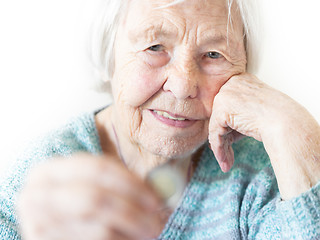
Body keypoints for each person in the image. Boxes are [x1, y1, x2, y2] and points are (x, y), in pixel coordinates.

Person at [1, 0, 320, 239]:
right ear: (108, 54)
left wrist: (295, 132)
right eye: (155, 47)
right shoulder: (42, 177)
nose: (183, 86)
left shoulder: (260, 174)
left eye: (213, 55)